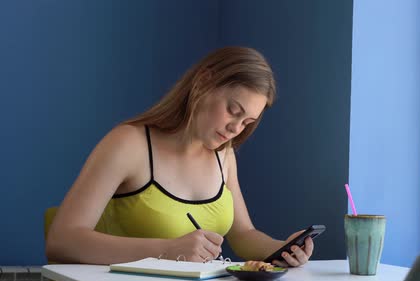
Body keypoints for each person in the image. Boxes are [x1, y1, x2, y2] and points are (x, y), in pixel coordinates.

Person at [46, 46, 315, 269]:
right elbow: (62, 241)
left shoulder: (224, 155)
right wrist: (167, 249)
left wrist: (282, 249)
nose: (236, 128)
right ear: (204, 81)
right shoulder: (129, 144)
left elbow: (244, 235)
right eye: (233, 110)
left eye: (247, 122)